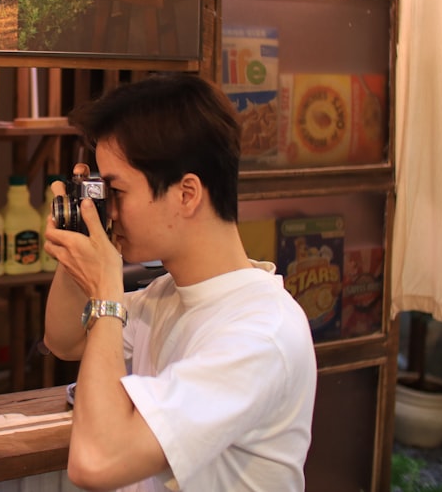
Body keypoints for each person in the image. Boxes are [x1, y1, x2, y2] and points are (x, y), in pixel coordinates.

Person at [42, 72, 317, 492]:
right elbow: (65, 339)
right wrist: (81, 230)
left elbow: (96, 463)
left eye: (115, 192)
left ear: (187, 194)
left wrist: (107, 291)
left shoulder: (261, 335)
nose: (109, 211)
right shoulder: (169, 295)